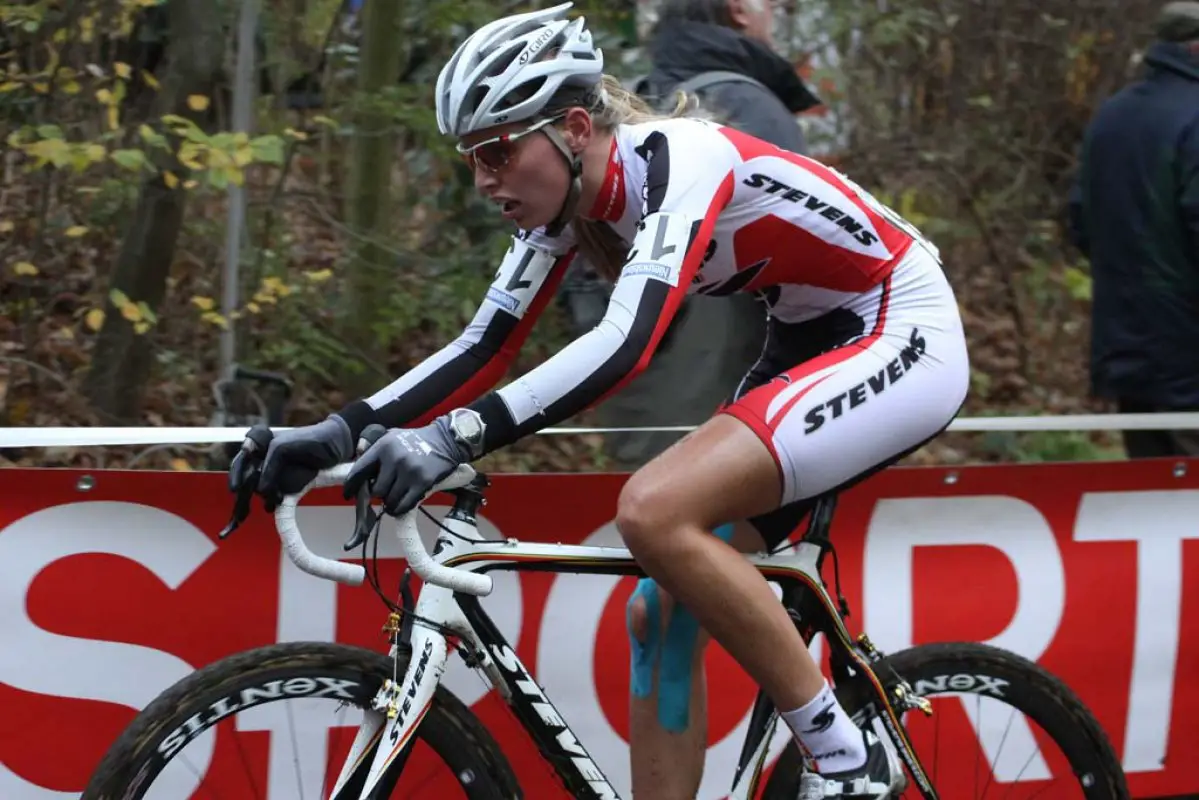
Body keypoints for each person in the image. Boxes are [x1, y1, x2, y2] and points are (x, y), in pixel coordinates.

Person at [247, 3, 970, 797]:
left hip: (899, 326)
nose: (484, 179)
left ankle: (845, 761)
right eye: (469, 159)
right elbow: (484, 345)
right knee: (656, 615)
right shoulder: (567, 209)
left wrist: (451, 437)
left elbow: (626, 344)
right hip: (808, 338)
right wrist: (336, 431)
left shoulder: (679, 161)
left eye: (496, 151)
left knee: (654, 511)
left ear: (576, 128)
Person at [582, 0, 823, 472]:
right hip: (735, 419)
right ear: (738, 10)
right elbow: (808, 274)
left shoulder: (633, 109)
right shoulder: (753, 109)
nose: (775, 14)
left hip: (638, 406)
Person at [1068, 1, 1199, 458]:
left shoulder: (1111, 116)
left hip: (1126, 343)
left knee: (1149, 498)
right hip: (1188, 349)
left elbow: (1082, 224)